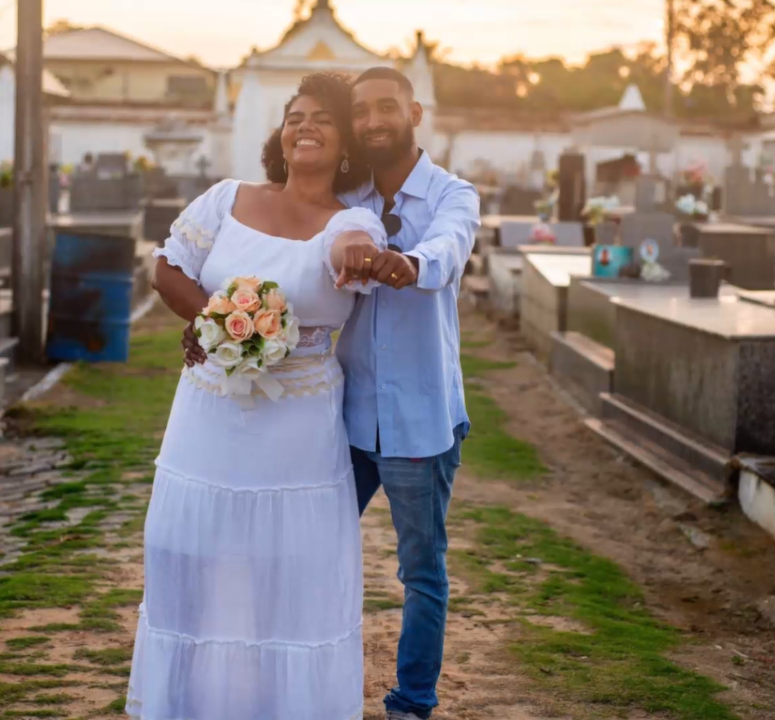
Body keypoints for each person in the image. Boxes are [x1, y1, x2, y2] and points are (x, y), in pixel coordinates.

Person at [127, 73, 401, 719]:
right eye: (294, 116)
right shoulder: (228, 198)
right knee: (183, 552)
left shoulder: (354, 219)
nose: (304, 126)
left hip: (297, 430)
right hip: (207, 413)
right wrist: (214, 323)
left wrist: (360, 250)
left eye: (322, 120)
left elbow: (353, 246)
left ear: (344, 145)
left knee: (287, 574)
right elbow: (168, 269)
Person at [338, 67, 480, 720]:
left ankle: (410, 705)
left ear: (415, 113)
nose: (372, 121)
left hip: (420, 422)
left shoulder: (454, 195)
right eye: (361, 110)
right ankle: (313, 687)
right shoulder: (346, 199)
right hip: (344, 421)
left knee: (421, 573)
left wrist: (409, 265)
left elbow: (448, 251)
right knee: (313, 551)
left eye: (386, 107)